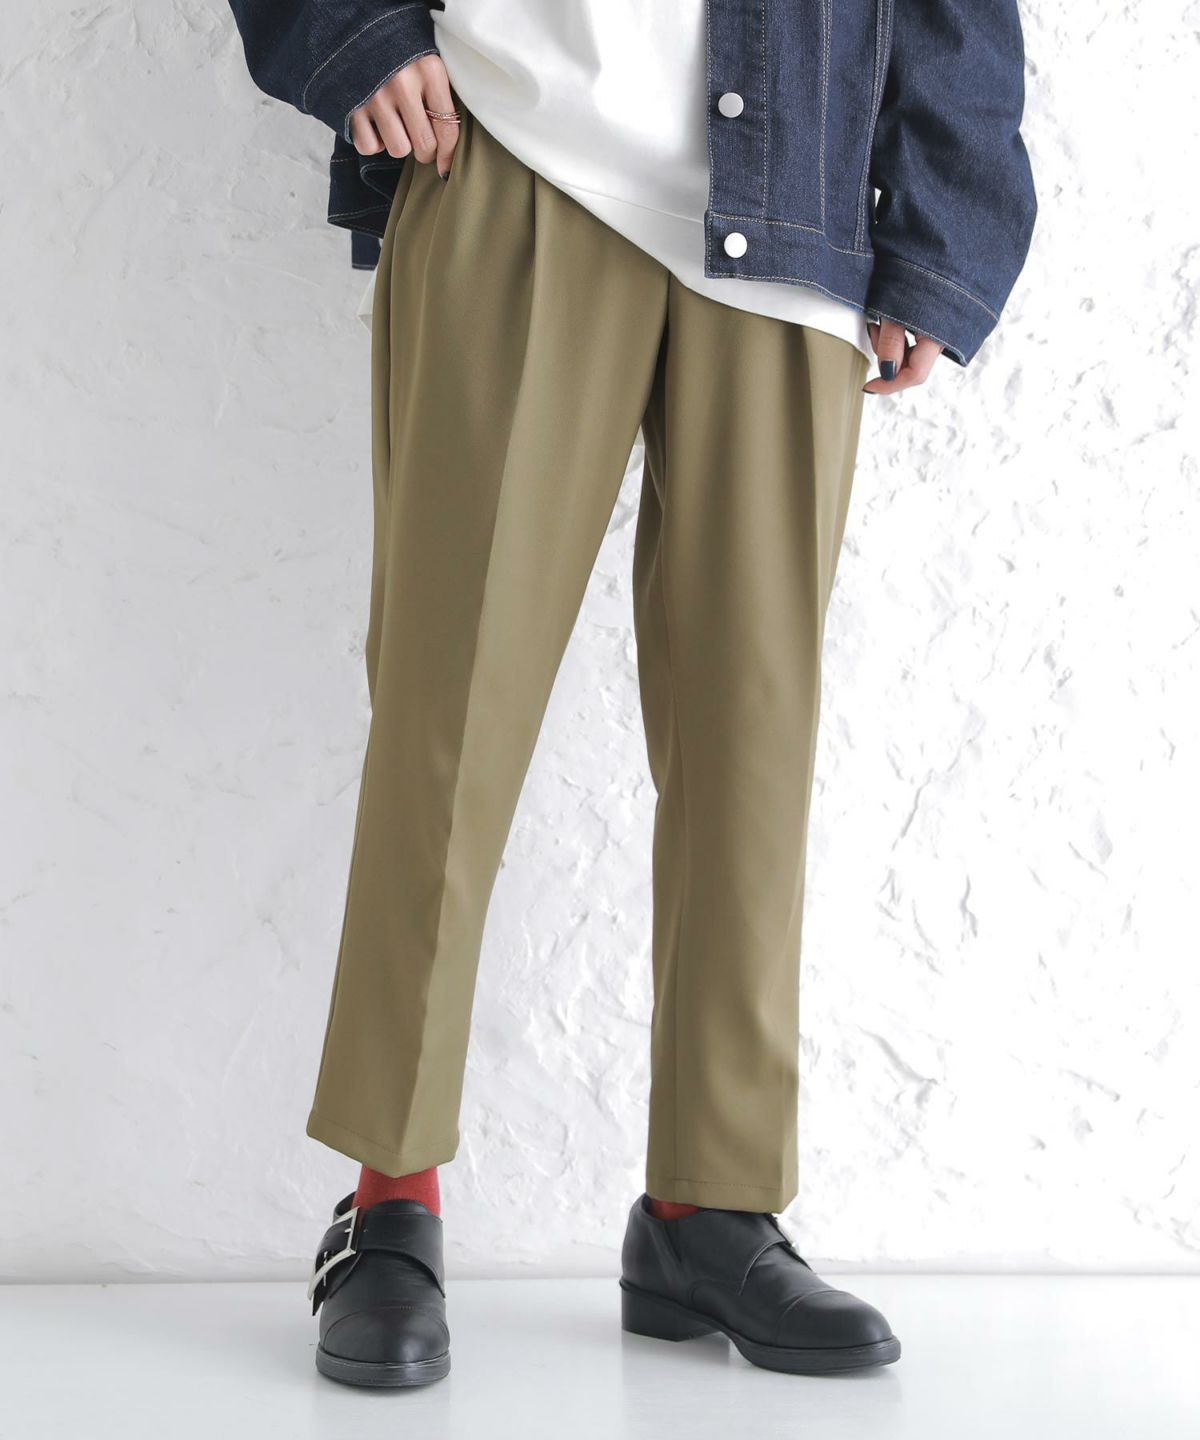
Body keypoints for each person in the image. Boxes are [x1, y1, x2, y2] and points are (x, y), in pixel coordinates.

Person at [227, 0, 1036, 1388]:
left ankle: (709, 1211)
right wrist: (349, 30)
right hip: (511, 147)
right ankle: (389, 1201)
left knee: (751, 738)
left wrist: (947, 223)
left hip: (797, 202)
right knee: (448, 716)